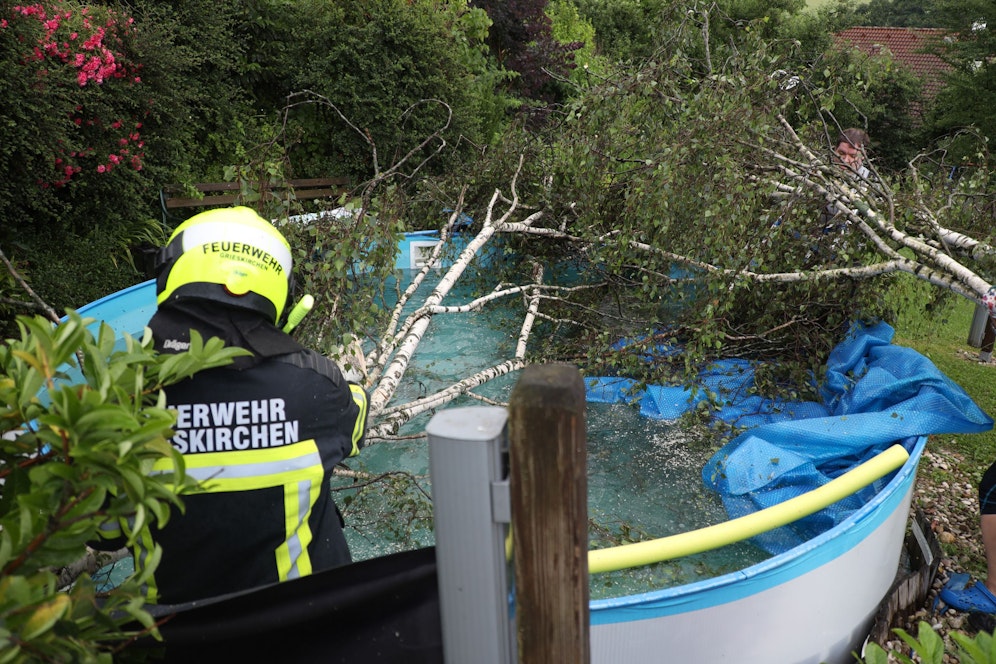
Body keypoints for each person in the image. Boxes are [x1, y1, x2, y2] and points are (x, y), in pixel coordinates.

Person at [94, 206, 369, 605]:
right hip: (307, 622)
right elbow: (355, 422)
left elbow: (104, 532)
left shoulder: (123, 398)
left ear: (171, 275)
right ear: (281, 291)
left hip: (177, 630)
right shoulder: (317, 386)